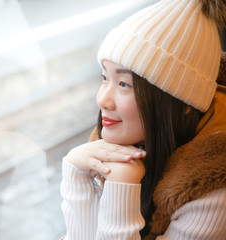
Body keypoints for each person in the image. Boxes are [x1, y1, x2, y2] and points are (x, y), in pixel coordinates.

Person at [60, 0, 226, 239]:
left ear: (182, 105)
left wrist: (121, 185)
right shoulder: (116, 147)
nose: (102, 100)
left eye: (124, 84)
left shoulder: (213, 189)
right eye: (104, 77)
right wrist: (76, 174)